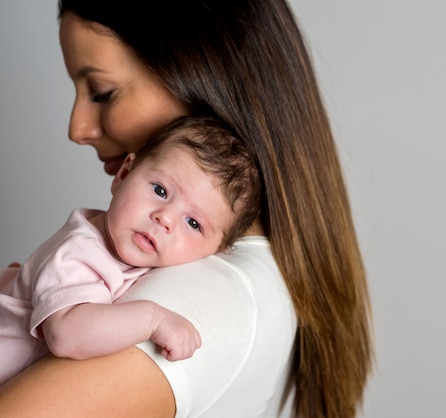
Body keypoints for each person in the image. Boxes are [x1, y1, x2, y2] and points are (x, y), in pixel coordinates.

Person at [0, 1, 373, 417]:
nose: (78, 129)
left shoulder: (202, 295)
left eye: (103, 92)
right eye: (160, 191)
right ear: (125, 174)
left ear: (204, 70)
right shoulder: (226, 269)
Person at [0, 115, 262, 386]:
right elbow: (66, 334)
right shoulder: (79, 251)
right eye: (160, 190)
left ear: (218, 250)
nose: (165, 219)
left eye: (193, 223)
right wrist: (152, 318)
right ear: (124, 174)